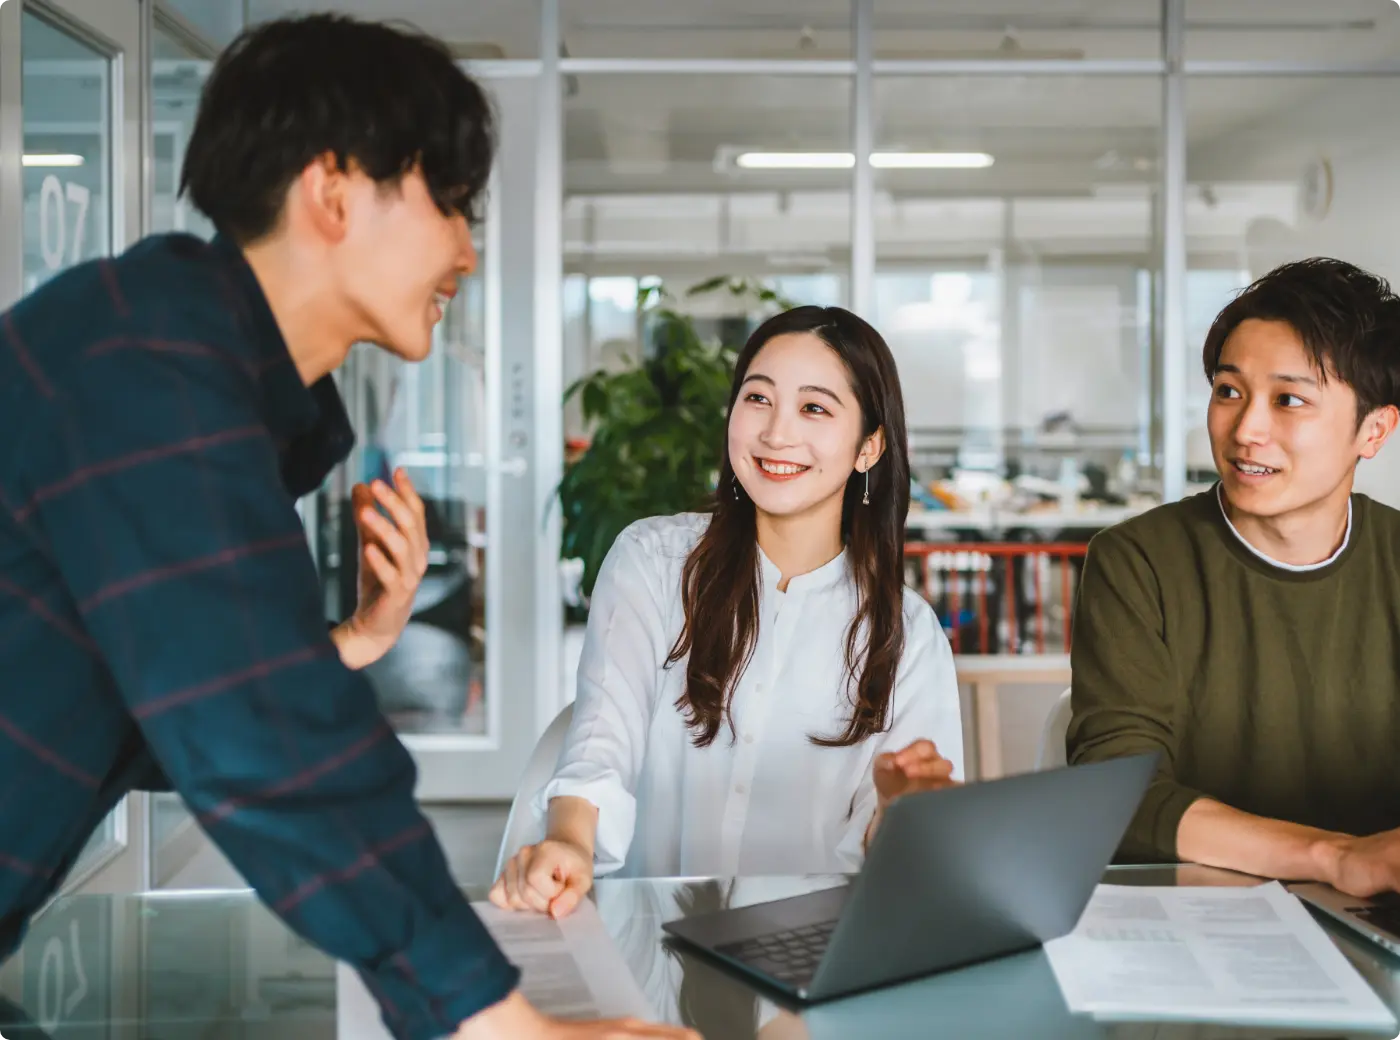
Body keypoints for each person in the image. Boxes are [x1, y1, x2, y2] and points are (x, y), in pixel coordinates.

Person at [0, 14, 692, 1040]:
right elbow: (266, 744)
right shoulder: (147, 365)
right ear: (332, 189)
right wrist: (500, 1025)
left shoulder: (178, 356)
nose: (465, 248)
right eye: (448, 200)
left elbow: (155, 705)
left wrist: (351, 642)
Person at [492, 306, 965, 918]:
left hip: (813, 969)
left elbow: (899, 865)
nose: (775, 433)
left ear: (868, 447)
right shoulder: (654, 563)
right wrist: (569, 842)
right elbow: (600, 744)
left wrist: (901, 816)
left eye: (814, 408)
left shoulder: (907, 633)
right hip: (648, 952)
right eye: (758, 398)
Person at [1069, 257, 1400, 897]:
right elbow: (1114, 793)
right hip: (1194, 915)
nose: (1246, 430)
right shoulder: (1137, 561)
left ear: (1374, 429)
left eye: (1289, 400)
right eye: (1229, 391)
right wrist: (1336, 858)